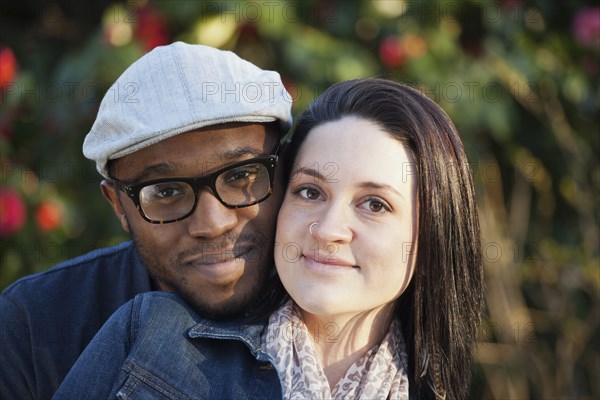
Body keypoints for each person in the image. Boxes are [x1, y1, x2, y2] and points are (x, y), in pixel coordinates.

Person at [53, 78, 483, 399]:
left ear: (431, 235)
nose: (329, 229)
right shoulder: (154, 343)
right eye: (310, 192)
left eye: (374, 204)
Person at [0, 41, 292, 399]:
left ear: (285, 171)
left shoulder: (344, 306)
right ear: (118, 206)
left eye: (241, 175)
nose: (213, 224)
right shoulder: (32, 324)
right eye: (166, 192)